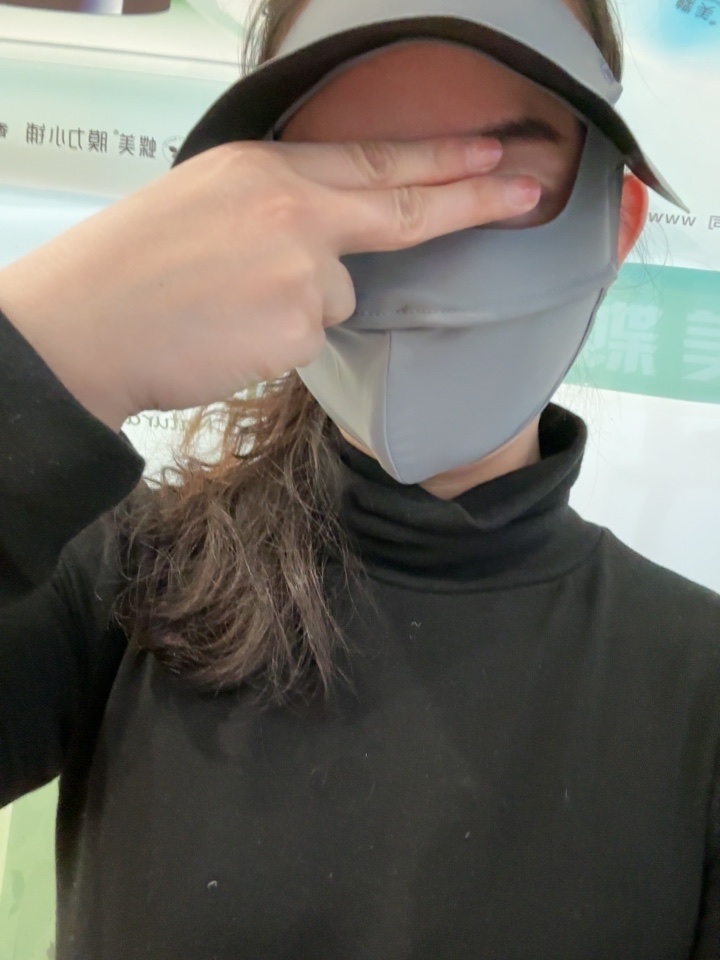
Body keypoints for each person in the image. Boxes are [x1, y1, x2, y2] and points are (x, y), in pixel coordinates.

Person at [0, 0, 718, 957]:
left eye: (495, 173)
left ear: (614, 224)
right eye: (341, 173)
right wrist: (51, 350)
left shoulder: (698, 684)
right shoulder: (121, 581)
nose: (418, 236)